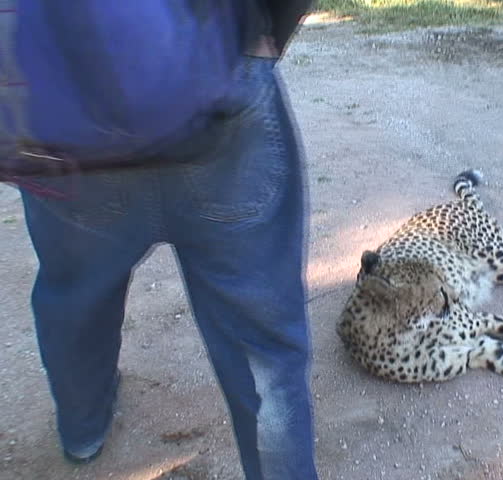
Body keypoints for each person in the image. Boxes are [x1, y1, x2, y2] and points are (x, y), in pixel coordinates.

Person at [1, 2, 318, 479]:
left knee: (75, 297)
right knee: (263, 341)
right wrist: (266, 34)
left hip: (62, 112)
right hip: (221, 93)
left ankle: (83, 432)